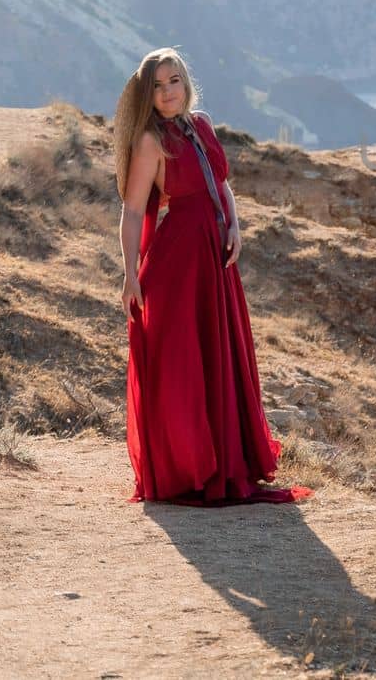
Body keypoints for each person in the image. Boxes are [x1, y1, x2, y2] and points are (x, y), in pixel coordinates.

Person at [112, 46, 313, 507]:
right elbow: (131, 209)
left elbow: (220, 183)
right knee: (184, 364)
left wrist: (235, 226)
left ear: (186, 82)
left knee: (220, 355)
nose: (167, 93)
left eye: (174, 81)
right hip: (179, 262)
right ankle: (188, 467)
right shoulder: (150, 141)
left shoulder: (201, 124)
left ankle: (227, 459)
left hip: (216, 258)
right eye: (158, 86)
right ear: (149, 93)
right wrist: (130, 275)